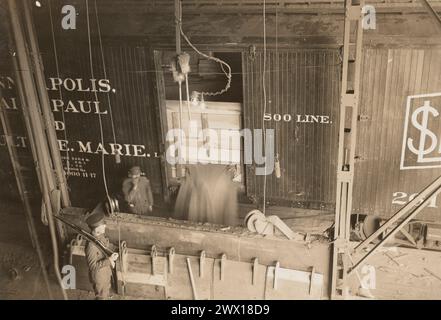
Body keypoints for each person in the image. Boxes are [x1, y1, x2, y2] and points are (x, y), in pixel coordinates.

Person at [85, 212, 119, 300]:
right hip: (99, 277)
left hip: (105, 272)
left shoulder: (100, 236)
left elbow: (105, 246)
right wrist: (110, 260)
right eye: (103, 225)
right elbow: (92, 266)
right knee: (101, 296)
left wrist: (114, 250)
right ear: (96, 229)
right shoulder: (91, 246)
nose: (105, 226)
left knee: (107, 292)